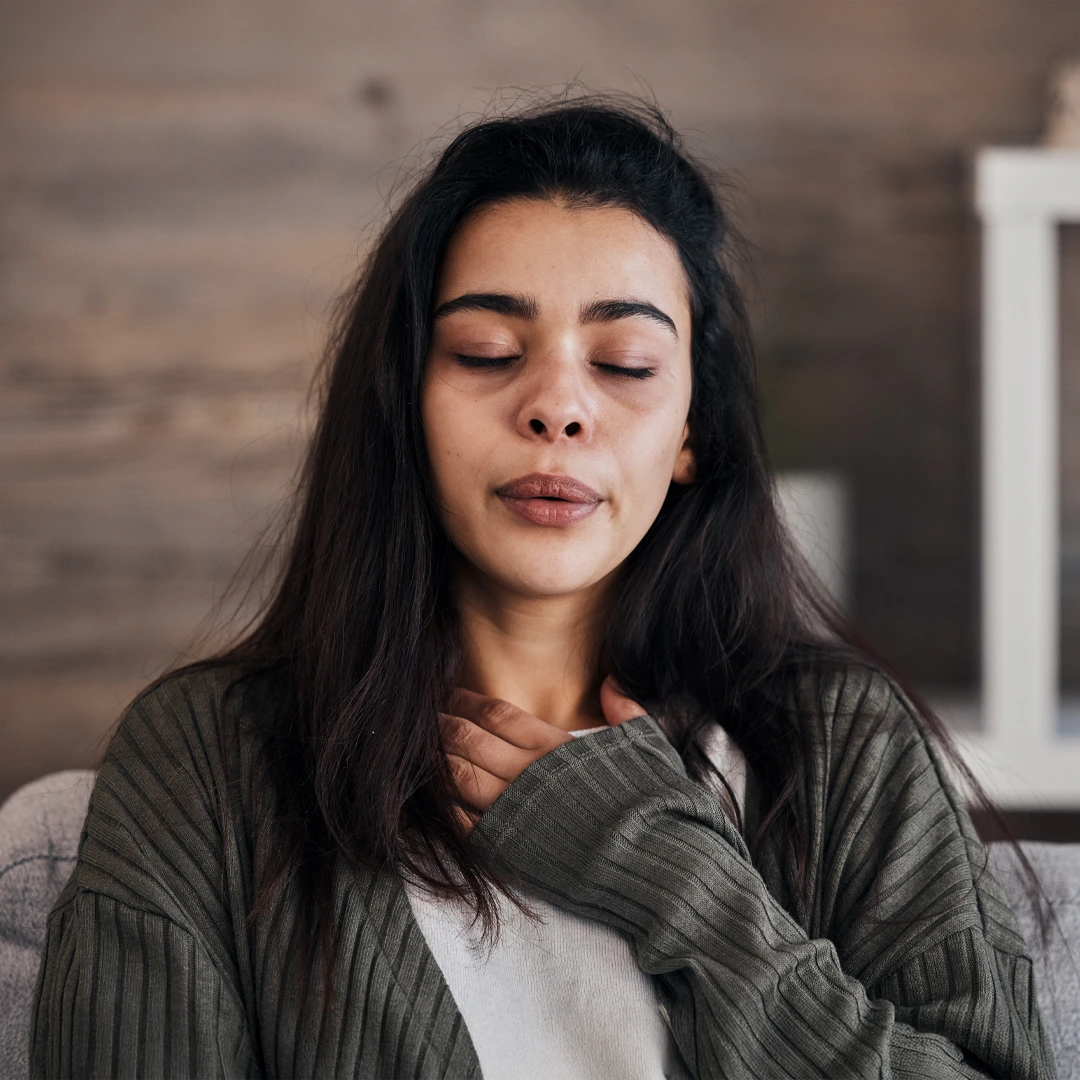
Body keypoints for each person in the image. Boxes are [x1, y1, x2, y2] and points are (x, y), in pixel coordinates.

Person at [31, 96, 1054, 1079]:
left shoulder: (846, 750)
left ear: (695, 430)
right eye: (486, 351)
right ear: (405, 400)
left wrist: (675, 883)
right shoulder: (204, 765)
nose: (558, 406)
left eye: (625, 362)